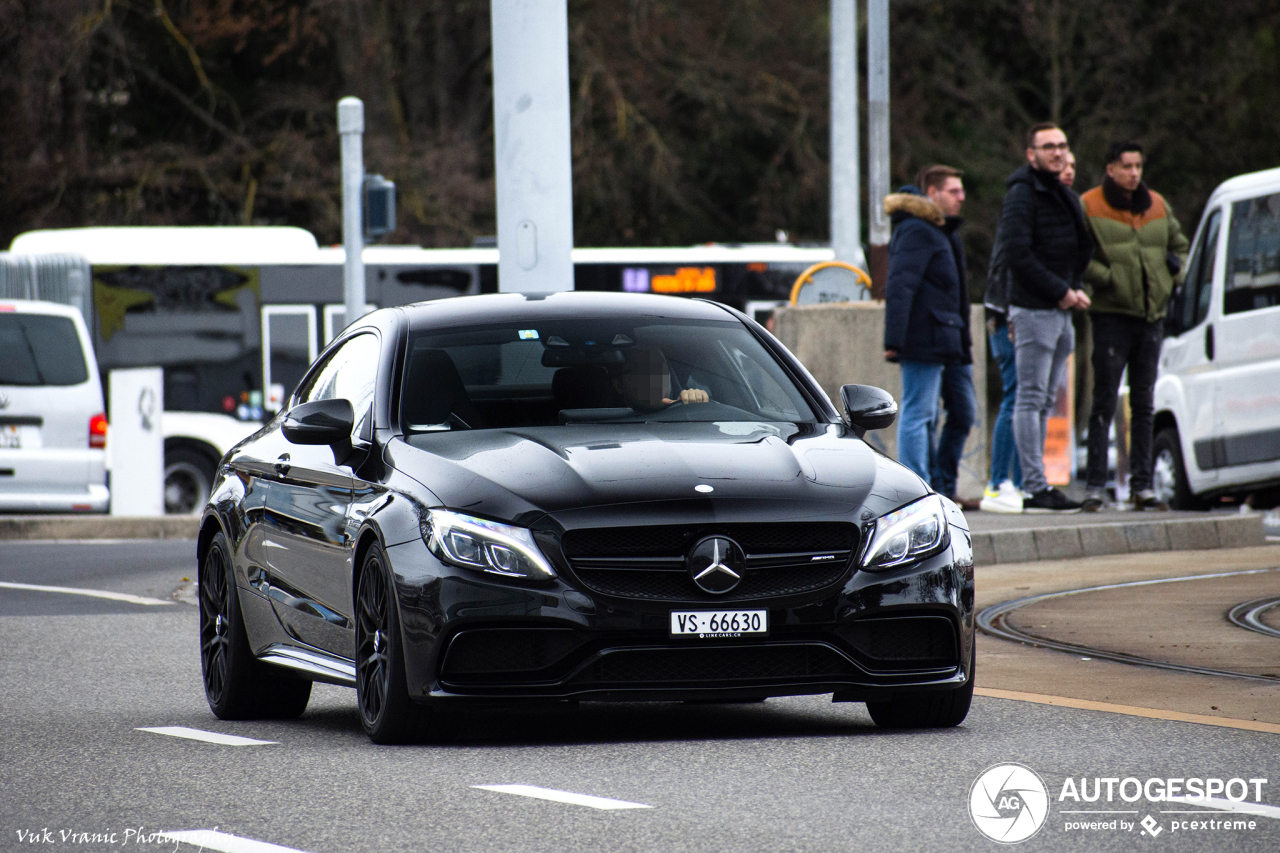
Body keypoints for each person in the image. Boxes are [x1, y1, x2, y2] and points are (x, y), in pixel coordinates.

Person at [1079, 141, 1189, 511]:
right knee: (1104, 401)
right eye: (1127, 166)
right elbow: (1077, 255)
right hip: (1111, 315)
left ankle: (1142, 486)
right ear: (1110, 169)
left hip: (1151, 317)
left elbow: (1180, 244)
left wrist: (1175, 274)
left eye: (1139, 165)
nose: (1134, 173)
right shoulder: (1089, 204)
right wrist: (1106, 278)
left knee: (1144, 403)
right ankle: (1095, 486)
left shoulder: (1156, 204)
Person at [1000, 122, 1094, 512]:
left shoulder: (1061, 192)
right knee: (1031, 399)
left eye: (1062, 145)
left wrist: (1073, 286)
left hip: (1061, 312)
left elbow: (1079, 246)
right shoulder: (1023, 194)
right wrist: (1061, 291)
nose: (1057, 152)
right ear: (1031, 154)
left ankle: (1040, 484)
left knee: (1042, 403)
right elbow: (1018, 255)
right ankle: (1035, 486)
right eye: (1048, 146)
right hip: (1037, 311)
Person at [980, 153, 1080, 513]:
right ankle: (999, 483)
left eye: (1072, 169)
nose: (1067, 173)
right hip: (1011, 314)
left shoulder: (1061, 211)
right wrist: (1004, 312)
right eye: (1063, 166)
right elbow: (1009, 262)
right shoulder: (1026, 205)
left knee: (1034, 399)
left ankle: (1025, 483)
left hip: (1032, 311)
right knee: (1018, 396)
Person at [883, 165, 976, 500]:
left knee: (963, 413)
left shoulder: (942, 231)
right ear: (932, 193)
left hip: (950, 339)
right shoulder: (916, 230)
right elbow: (899, 285)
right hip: (924, 339)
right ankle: (917, 489)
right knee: (918, 413)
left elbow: (956, 296)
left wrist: (964, 342)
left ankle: (942, 486)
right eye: (954, 191)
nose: (961, 197)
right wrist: (894, 339)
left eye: (962, 190)